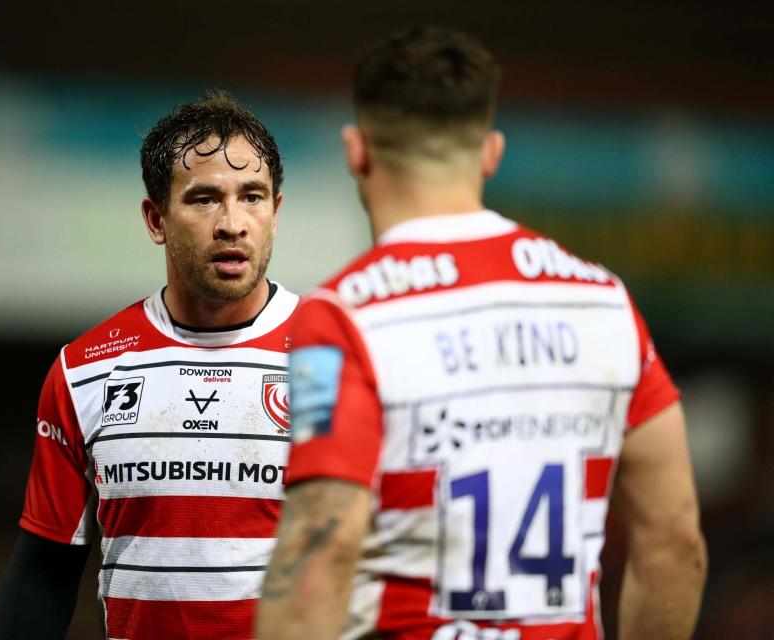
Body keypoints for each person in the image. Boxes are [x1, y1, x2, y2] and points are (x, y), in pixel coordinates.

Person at [258, 27, 707, 640]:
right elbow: (676, 541)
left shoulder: (343, 316)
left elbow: (319, 556)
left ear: (356, 151)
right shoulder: (603, 302)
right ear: (491, 152)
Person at [0, 91, 298, 640]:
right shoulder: (86, 370)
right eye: (203, 199)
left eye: (252, 196)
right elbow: (44, 570)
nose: (232, 223)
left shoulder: (339, 357)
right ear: (156, 219)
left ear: (276, 212)